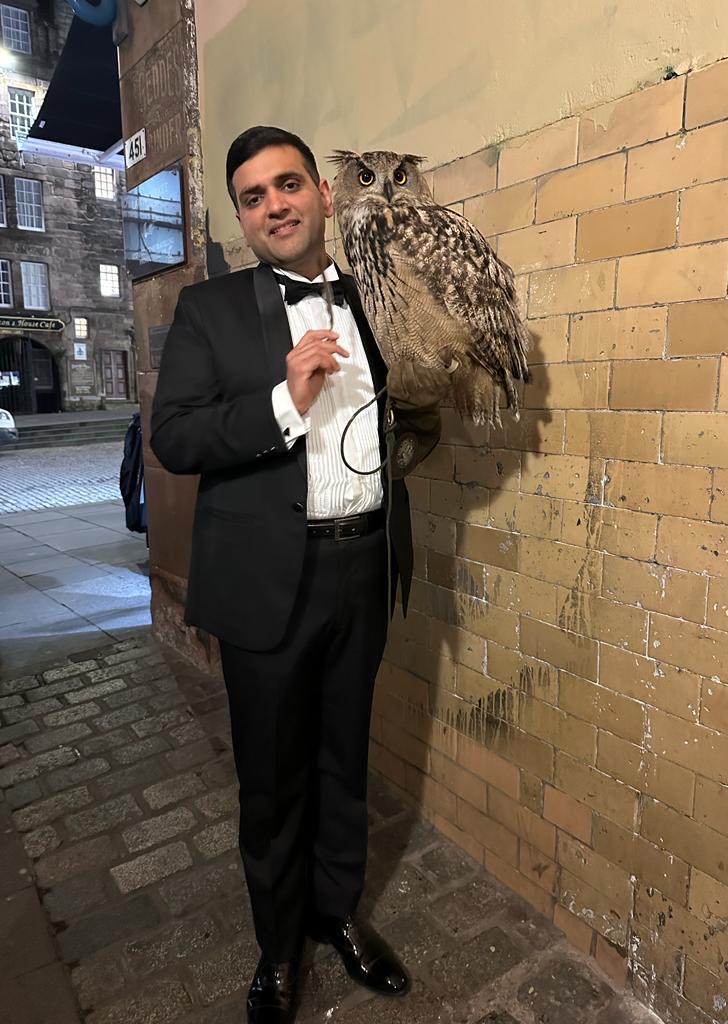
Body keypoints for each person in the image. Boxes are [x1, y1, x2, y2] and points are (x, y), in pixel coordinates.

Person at [150, 127, 414, 1024]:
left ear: (324, 196)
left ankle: (337, 917)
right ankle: (277, 949)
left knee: (346, 764)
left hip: (363, 565)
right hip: (270, 582)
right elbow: (177, 437)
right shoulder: (210, 312)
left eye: (289, 185)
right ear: (244, 217)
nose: (275, 206)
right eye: (254, 197)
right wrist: (281, 402)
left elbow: (402, 412)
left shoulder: (377, 297)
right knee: (272, 782)